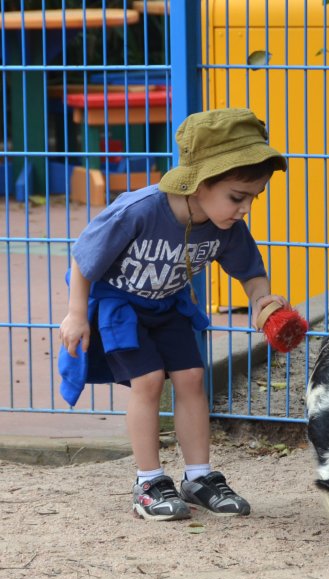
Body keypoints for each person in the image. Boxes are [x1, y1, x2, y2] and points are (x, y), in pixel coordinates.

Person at [58, 108, 289, 521]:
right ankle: (147, 482)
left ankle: (199, 478)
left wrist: (262, 301)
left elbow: (251, 272)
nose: (246, 208)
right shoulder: (139, 210)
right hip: (121, 307)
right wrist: (76, 313)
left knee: (192, 377)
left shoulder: (226, 227)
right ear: (200, 182)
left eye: (254, 197)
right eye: (238, 196)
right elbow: (84, 257)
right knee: (147, 381)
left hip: (169, 306)